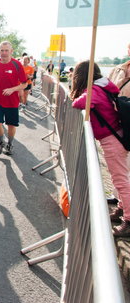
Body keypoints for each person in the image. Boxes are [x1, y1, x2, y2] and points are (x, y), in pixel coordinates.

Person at [71, 60, 130, 237]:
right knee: (119, 177)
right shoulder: (103, 86)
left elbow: (80, 103)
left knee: (120, 179)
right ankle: (122, 208)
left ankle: (128, 220)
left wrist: (79, 96)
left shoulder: (94, 91)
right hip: (115, 136)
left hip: (112, 139)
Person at [0, 41, 27, 155]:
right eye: (2, 50)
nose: (4, 53)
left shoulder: (16, 64)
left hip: (12, 100)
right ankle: (1, 142)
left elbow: (24, 84)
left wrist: (12, 89)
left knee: (11, 125)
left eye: (6, 50)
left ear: (11, 51)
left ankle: (10, 143)